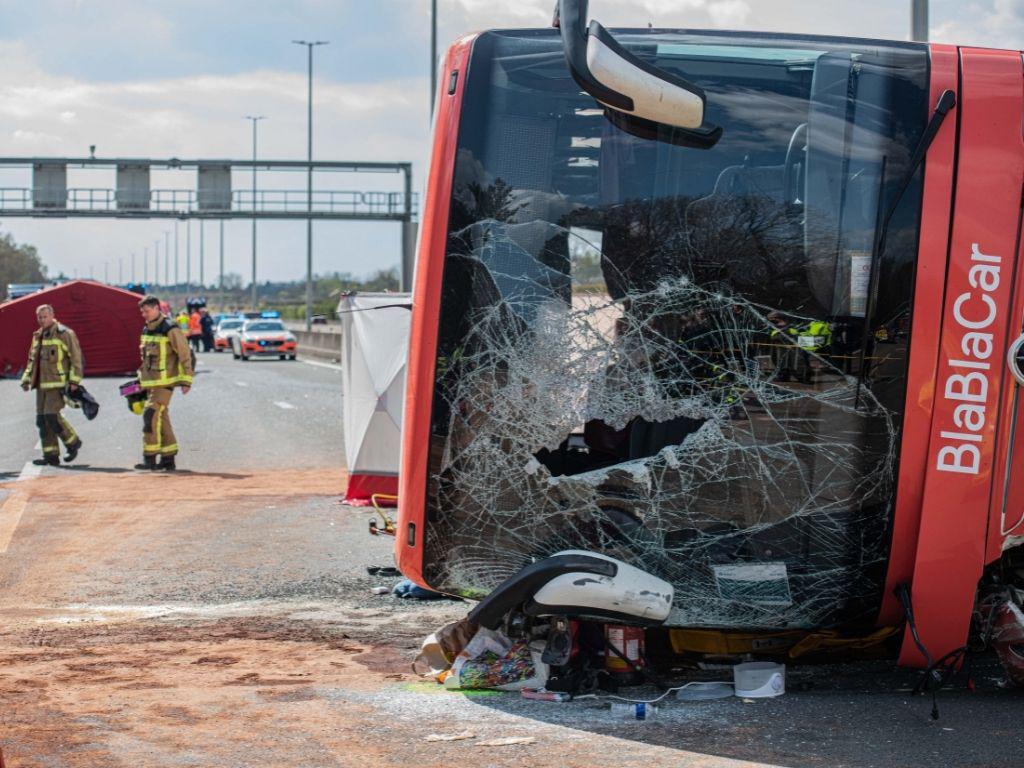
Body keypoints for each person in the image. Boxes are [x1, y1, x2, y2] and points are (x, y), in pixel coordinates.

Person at [20, 304, 84, 466]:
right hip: (41, 385)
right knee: (42, 420)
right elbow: (32, 361)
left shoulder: (65, 333)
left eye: (45, 316)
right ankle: (50, 455)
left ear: (52, 316)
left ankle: (73, 442)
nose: (42, 320)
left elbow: (76, 358)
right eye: (39, 317)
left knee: (51, 416)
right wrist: (26, 379)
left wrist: (74, 381)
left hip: (58, 385)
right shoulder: (37, 336)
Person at [137, 295, 194, 471]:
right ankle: (168, 458)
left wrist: (186, 380)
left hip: (165, 383)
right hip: (151, 383)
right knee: (162, 418)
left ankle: (149, 458)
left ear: (156, 308)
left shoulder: (170, 328)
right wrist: (139, 380)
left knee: (150, 414)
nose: (144, 315)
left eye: (147, 311)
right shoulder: (147, 329)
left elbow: (185, 354)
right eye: (142, 312)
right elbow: (145, 359)